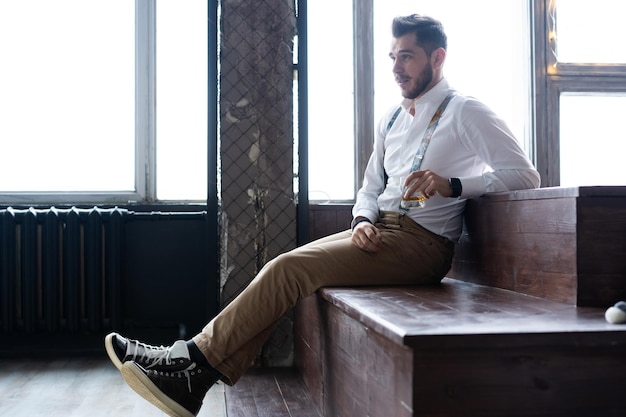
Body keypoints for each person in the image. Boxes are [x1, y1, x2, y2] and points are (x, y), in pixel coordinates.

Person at [105, 14, 540, 417]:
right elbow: (370, 187)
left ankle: (187, 365)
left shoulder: (466, 110)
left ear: (437, 57)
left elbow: (525, 176)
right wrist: (362, 221)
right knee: (285, 267)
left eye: (406, 56)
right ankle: (193, 377)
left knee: (288, 269)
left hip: (422, 245)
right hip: (382, 232)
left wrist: (454, 185)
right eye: (393, 57)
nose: (396, 67)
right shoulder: (391, 119)